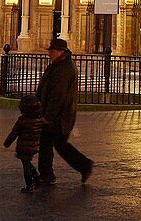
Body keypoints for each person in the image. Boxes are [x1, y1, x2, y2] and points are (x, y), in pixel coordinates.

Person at [36, 37, 93, 185]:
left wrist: (48, 116)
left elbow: (58, 95)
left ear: (61, 52)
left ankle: (49, 174)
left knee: (51, 144)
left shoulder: (64, 68)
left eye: (52, 51)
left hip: (59, 115)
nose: (49, 54)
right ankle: (82, 166)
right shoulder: (57, 65)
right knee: (55, 144)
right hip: (56, 114)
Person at [4, 95, 47, 193]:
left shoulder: (22, 121)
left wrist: (7, 143)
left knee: (26, 166)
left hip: (23, 147)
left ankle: (29, 185)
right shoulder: (40, 120)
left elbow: (14, 133)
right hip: (34, 146)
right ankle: (37, 180)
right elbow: (47, 125)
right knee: (27, 162)